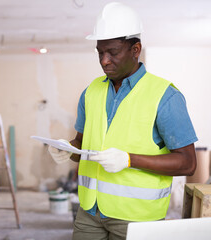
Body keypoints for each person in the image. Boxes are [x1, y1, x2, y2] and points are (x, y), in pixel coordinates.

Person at [48, 2, 197, 240]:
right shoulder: (91, 92)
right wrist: (68, 151)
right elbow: (81, 146)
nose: (104, 61)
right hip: (89, 212)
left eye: (113, 52)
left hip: (137, 218)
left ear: (135, 49)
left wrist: (129, 160)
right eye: (100, 52)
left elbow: (188, 163)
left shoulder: (165, 96)